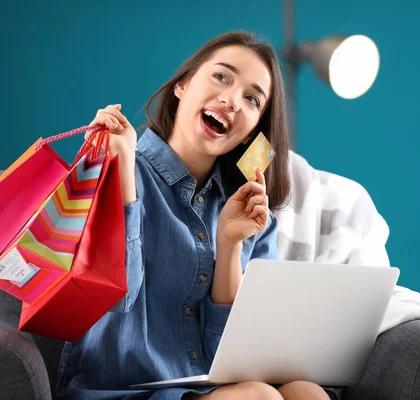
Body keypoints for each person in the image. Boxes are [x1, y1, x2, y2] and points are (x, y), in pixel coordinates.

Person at [56, 31, 332, 400]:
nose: (232, 100)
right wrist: (123, 173)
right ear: (182, 86)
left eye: (252, 99)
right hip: (118, 390)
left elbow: (239, 360)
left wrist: (230, 245)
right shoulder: (115, 166)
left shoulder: (249, 213)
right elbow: (116, 302)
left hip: (206, 389)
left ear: (255, 130)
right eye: (222, 76)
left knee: (306, 392)